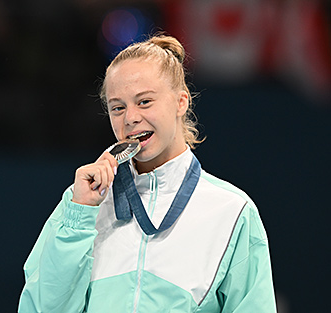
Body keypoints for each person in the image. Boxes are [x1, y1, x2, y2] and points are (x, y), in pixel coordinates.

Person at [17, 34, 276, 313]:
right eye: (118, 107)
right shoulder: (81, 205)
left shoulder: (231, 211)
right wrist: (79, 216)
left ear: (181, 102)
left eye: (144, 102)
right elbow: (42, 307)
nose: (130, 118)